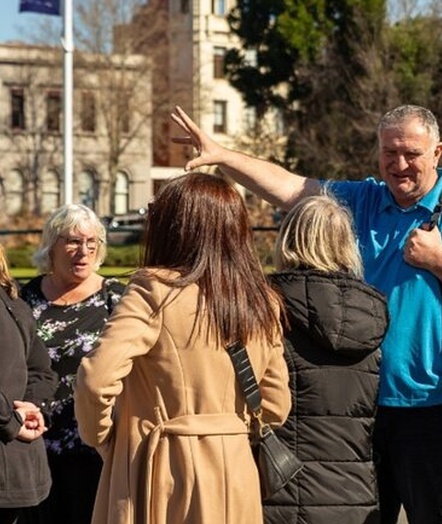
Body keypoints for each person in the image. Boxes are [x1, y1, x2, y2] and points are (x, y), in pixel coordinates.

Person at [171, 105, 442, 524]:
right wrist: (223, 155)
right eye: (389, 152)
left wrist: (440, 260)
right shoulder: (365, 198)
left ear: (437, 152)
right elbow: (290, 188)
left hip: (434, 409)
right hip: (362, 411)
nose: (399, 164)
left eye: (411, 153)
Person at [74, 172, 291, 523]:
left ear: (174, 226)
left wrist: (103, 437)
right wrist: (228, 430)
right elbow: (277, 405)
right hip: (236, 472)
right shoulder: (262, 301)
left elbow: (96, 379)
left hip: (163, 471)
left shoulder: (154, 290)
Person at [265, 194, 389, 524]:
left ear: (288, 240)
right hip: (354, 494)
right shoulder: (372, 314)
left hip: (278, 492)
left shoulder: (265, 308)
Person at [18, 205, 125, 524]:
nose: (84, 251)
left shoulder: (116, 299)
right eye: (74, 242)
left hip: (97, 445)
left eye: (92, 243)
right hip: (35, 443)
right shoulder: (25, 300)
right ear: (51, 244)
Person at [0, 244, 57, 524]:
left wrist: (34, 409)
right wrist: (11, 421)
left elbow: (41, 370)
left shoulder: (13, 301)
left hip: (19, 468)